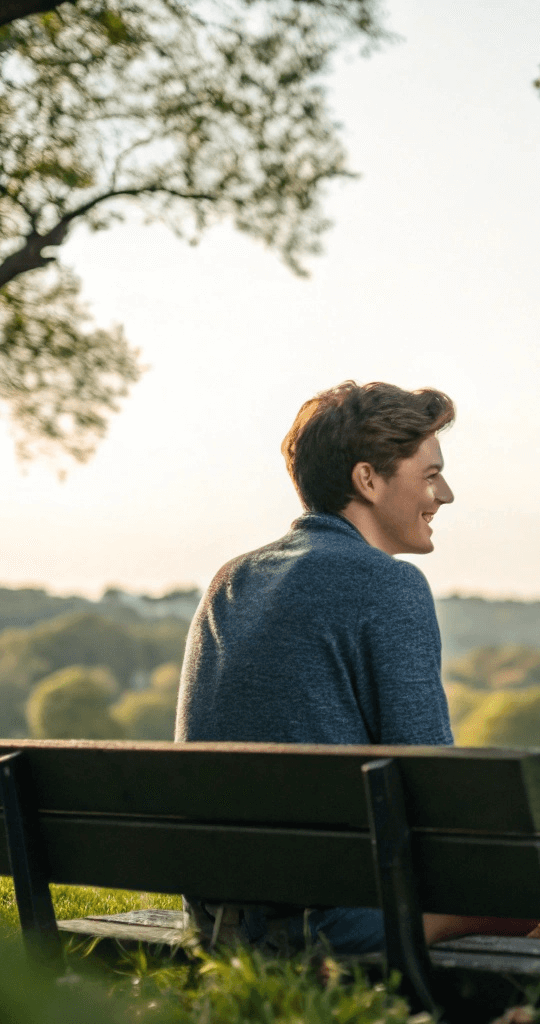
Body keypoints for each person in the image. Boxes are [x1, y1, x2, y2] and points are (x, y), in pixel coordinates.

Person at [174, 379, 458, 954]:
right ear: (368, 480)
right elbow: (433, 786)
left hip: (218, 916)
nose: (445, 494)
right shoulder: (390, 585)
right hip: (334, 920)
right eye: (430, 475)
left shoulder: (231, 579)